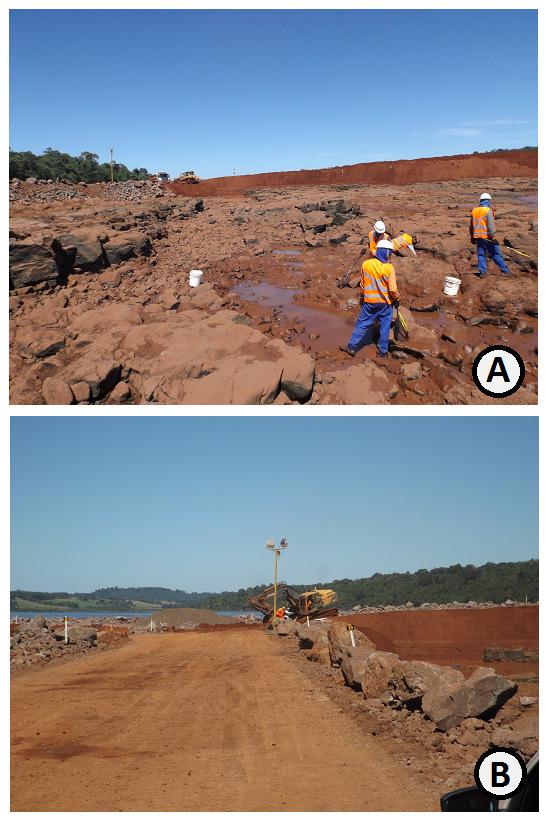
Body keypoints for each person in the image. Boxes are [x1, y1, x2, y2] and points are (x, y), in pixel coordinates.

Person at [340, 239, 399, 358]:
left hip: (369, 302)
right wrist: (396, 300)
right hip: (385, 304)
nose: (390, 255)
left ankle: (351, 347)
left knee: (361, 325)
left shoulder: (366, 264)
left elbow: (362, 284)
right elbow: (392, 289)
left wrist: (362, 297)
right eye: (390, 253)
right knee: (385, 327)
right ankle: (382, 352)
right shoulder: (389, 267)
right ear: (385, 252)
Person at [470, 193, 511, 278]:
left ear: (480, 201)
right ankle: (505, 271)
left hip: (478, 237)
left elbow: (471, 226)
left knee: (481, 254)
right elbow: (491, 226)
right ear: (488, 201)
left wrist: (472, 237)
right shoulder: (488, 211)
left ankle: (482, 272)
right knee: (495, 254)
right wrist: (493, 237)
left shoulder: (474, 211)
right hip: (487, 237)